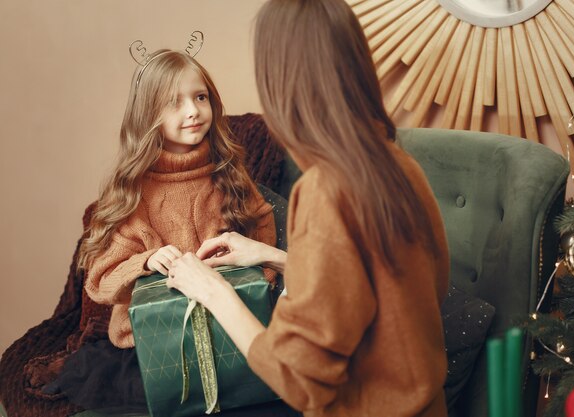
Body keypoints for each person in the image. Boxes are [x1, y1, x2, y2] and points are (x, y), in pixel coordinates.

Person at [166, 1, 450, 416]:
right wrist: (274, 257)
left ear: (282, 83)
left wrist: (211, 290)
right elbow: (394, 291)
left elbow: (297, 376)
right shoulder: (400, 165)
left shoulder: (325, 190)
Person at [47, 49, 284, 413]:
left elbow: (262, 221)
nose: (192, 111)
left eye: (200, 97)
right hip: (158, 344)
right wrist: (146, 260)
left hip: (230, 331)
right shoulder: (134, 191)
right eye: (175, 103)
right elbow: (100, 279)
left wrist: (262, 277)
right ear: (149, 115)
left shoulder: (228, 172)